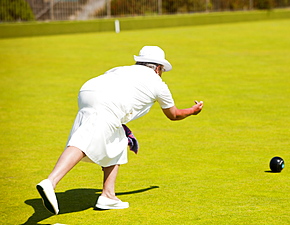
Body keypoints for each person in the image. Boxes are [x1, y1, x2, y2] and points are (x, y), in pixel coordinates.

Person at [36, 46, 204, 214]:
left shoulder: (122, 69)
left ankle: (108, 196)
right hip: (106, 102)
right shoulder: (158, 84)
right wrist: (193, 110)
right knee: (83, 141)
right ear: (158, 68)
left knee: (118, 140)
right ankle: (51, 182)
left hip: (88, 90)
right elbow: (174, 114)